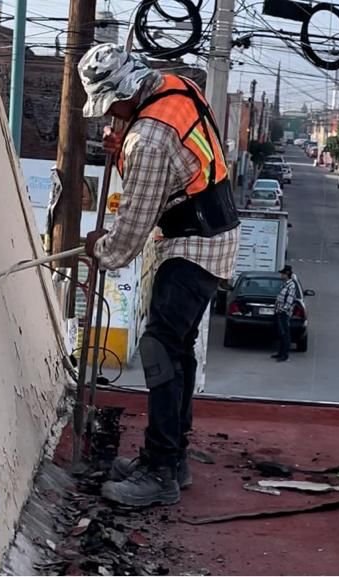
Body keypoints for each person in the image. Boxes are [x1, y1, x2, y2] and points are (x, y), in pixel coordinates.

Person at [77, 44, 240, 507]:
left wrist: (100, 249)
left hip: (193, 243)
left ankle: (160, 470)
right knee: (178, 350)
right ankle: (173, 458)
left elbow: (131, 229)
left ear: (126, 93)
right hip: (212, 233)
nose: (111, 116)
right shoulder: (174, 86)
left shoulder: (147, 139)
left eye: (112, 107)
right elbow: (175, 160)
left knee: (159, 348)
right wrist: (122, 148)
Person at [272, 265, 299, 362]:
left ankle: (285, 355)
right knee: (281, 334)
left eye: (282, 274)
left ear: (287, 274)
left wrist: (284, 310)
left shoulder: (291, 286)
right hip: (279, 312)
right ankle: (280, 353)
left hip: (284, 313)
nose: (281, 275)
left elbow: (289, 300)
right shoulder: (285, 284)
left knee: (285, 334)